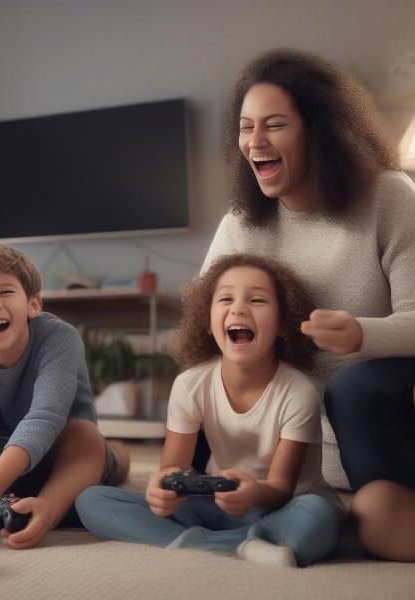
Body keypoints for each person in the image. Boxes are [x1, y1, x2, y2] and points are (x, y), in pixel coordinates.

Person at [202, 48, 415, 561]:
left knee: (354, 383)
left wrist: (361, 335)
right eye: (246, 126)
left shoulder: (390, 197)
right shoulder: (240, 224)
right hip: (290, 438)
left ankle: (383, 505)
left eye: (274, 125)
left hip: (378, 417)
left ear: (319, 132)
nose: (255, 141)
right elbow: (201, 330)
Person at [76, 254, 343, 568]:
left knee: (319, 516)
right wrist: (162, 491)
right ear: (207, 320)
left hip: (283, 505)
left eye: (257, 300)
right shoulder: (191, 384)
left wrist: (253, 492)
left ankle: (223, 539)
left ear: (284, 324)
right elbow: (172, 471)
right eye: (225, 298)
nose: (239, 308)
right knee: (91, 500)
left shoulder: (298, 392)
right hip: (218, 503)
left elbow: (281, 489)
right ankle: (236, 544)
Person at [0, 243, 130, 549]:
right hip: (6, 464)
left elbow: (45, 418)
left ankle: (50, 507)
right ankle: (19, 494)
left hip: (63, 455)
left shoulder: (59, 338)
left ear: (34, 305)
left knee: (87, 436)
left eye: (6, 292)